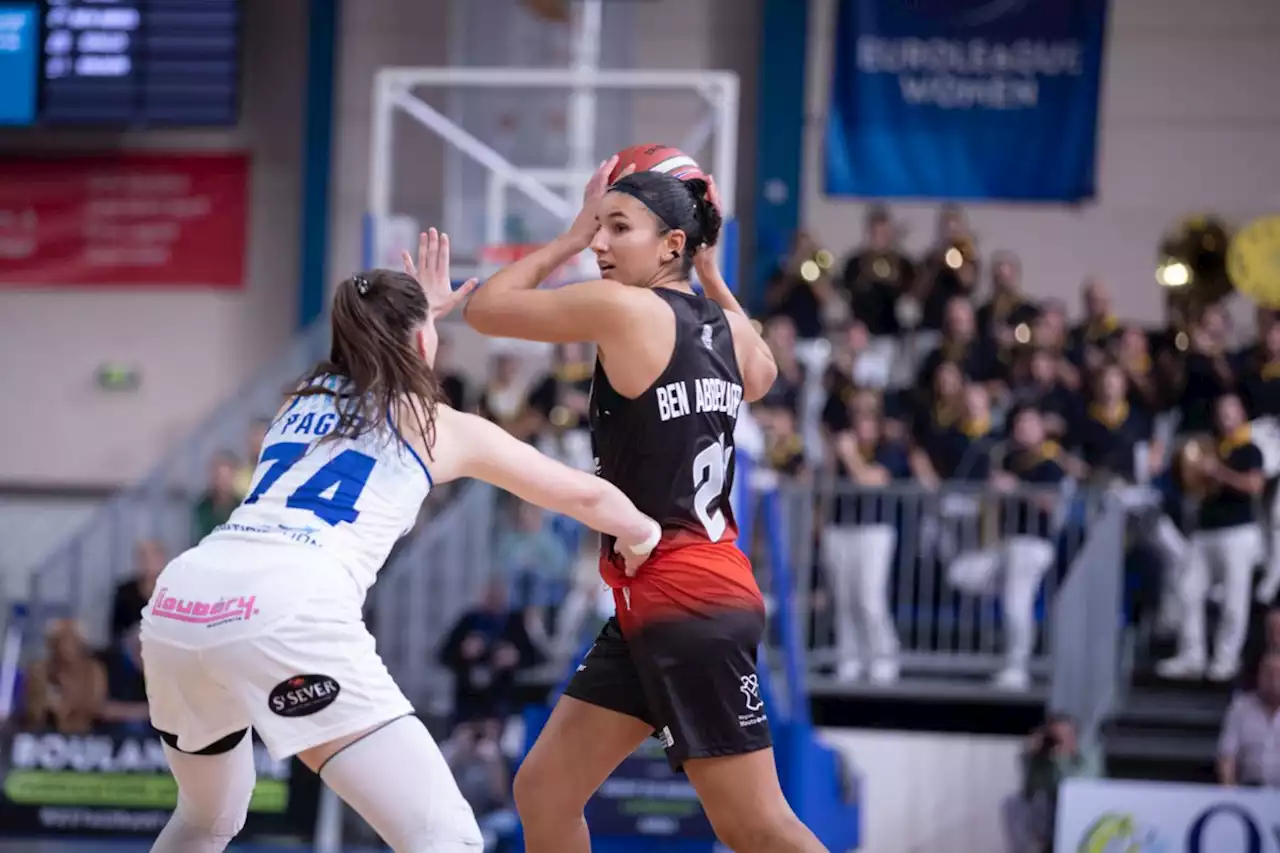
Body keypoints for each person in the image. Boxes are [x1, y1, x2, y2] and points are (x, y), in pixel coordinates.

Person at [138, 228, 663, 853]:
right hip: (287, 609)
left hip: (181, 603)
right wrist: (645, 534)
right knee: (447, 839)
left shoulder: (298, 400)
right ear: (422, 340)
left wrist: (418, 317)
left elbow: (370, 360)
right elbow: (584, 496)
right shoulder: (439, 424)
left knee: (205, 819)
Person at [465, 157, 825, 853]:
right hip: (660, 598)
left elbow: (485, 309)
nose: (600, 244)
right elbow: (764, 376)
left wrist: (566, 238)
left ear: (671, 245)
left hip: (688, 597)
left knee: (756, 826)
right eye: (598, 228)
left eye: (617, 228)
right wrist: (714, 279)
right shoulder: (726, 327)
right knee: (544, 790)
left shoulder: (623, 306)